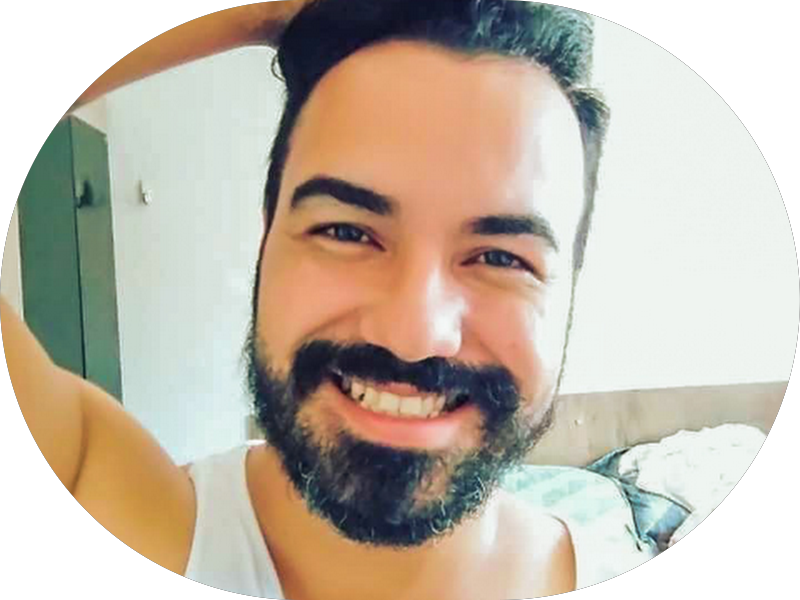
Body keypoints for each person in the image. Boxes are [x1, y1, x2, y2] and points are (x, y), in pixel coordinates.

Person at [6, 1, 610, 598]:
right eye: (346, 231)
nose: (413, 333)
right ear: (267, 235)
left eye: (502, 258)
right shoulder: (120, 510)